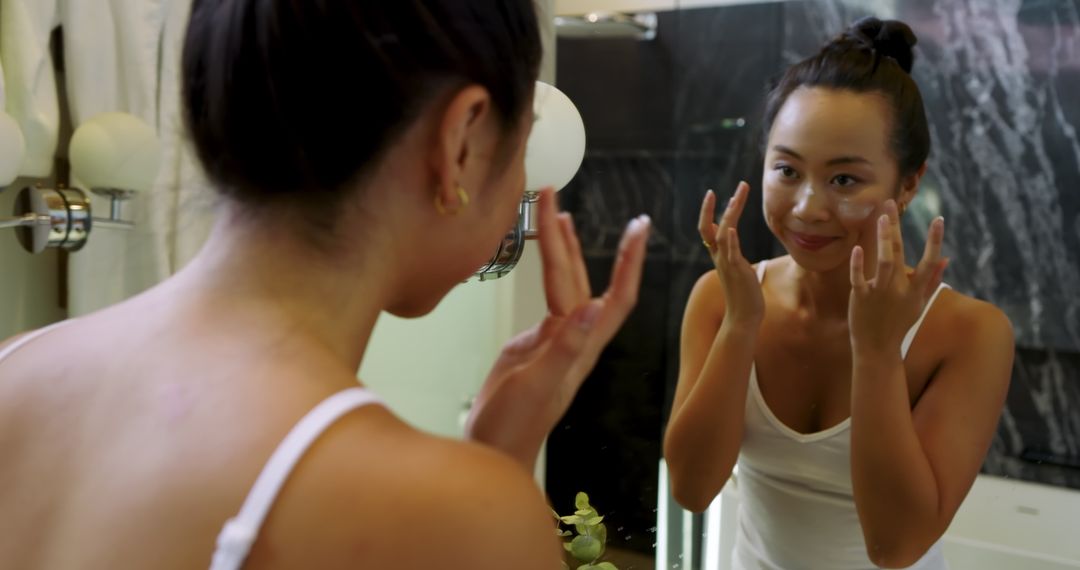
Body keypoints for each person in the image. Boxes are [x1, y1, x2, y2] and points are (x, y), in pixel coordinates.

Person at [0, 2, 651, 568]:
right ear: (463, 140)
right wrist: (494, 478)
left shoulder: (17, 370)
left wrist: (491, 459)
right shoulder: (452, 515)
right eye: (526, 142)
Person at [663, 17, 1014, 570]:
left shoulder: (969, 334)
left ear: (908, 185)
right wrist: (739, 327)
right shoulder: (721, 297)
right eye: (787, 170)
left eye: (844, 180)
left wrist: (877, 353)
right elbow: (691, 488)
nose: (807, 208)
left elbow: (895, 546)